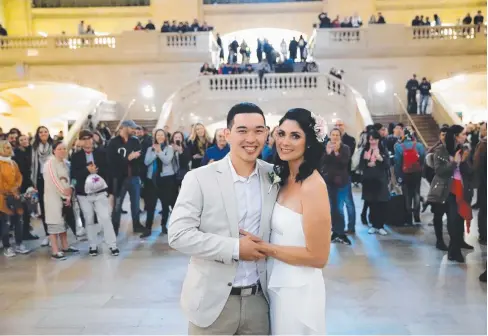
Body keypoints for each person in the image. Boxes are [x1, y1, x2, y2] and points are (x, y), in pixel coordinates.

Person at [169, 102, 277, 335]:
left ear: (267, 134)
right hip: (212, 303)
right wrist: (236, 248)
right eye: (242, 130)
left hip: (260, 302)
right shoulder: (199, 178)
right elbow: (178, 235)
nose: (251, 138)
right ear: (227, 134)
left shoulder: (274, 176)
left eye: (259, 130)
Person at [250, 108, 330, 334]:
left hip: (299, 289)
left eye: (295, 136)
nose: (284, 142)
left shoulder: (314, 186)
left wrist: (265, 248)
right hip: (275, 281)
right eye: (281, 133)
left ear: (310, 142)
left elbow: (319, 257)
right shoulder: (282, 176)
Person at [427, 125, 474, 263]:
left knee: (460, 219)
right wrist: (453, 164)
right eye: (463, 134)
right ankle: (454, 251)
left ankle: (456, 247)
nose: (465, 137)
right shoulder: (441, 151)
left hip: (462, 189)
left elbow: (470, 171)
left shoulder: (465, 150)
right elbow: (439, 171)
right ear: (455, 136)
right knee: (453, 220)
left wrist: (463, 162)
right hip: (448, 190)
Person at [71, 130, 119, 257]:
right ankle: (93, 245)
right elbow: (74, 175)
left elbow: (108, 171)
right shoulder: (76, 157)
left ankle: (112, 244)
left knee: (104, 217)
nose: (87, 141)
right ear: (80, 141)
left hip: (100, 191)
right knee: (89, 218)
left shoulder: (101, 153)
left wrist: (97, 172)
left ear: (93, 139)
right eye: (84, 139)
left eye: (89, 138)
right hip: (83, 193)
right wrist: (87, 170)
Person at [106, 120, 145, 235]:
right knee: (117, 205)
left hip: (134, 177)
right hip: (119, 179)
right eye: (132, 128)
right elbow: (111, 161)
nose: (134, 130)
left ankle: (136, 225)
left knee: (136, 204)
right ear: (124, 127)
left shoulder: (135, 141)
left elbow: (139, 158)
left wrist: (135, 163)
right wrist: (127, 158)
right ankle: (114, 228)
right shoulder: (113, 143)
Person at [43, 142, 79, 260]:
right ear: (54, 150)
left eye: (64, 148)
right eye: (59, 149)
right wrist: (65, 194)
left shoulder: (65, 163)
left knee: (63, 223)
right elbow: (54, 180)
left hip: (66, 198)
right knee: (54, 224)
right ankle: (55, 250)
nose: (62, 151)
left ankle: (65, 246)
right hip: (53, 198)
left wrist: (70, 192)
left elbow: (69, 180)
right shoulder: (49, 163)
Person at [141, 129, 175, 238]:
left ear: (165, 137)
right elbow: (146, 162)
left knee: (165, 205)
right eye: (158, 135)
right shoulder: (149, 149)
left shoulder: (170, 149)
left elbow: (167, 160)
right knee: (150, 206)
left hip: (165, 180)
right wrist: (156, 152)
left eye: (162, 135)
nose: (160, 137)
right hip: (152, 180)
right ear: (155, 137)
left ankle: (164, 225)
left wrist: (159, 151)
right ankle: (148, 228)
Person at [0, 141, 30, 257]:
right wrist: (10, 190)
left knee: (19, 221)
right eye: (6, 148)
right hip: (3, 198)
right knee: (6, 222)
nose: (9, 149)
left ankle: (19, 244)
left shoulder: (13, 163)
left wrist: (16, 187)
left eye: (9, 147)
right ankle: (7, 246)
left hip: (16, 195)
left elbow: (19, 176)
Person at [321, 128, 351, 245]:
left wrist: (337, 152)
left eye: (337, 135)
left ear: (340, 136)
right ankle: (335, 232)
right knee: (332, 208)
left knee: (339, 208)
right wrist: (328, 153)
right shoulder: (326, 147)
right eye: (333, 135)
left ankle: (341, 233)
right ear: (329, 136)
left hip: (341, 182)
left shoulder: (345, 148)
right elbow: (323, 162)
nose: (334, 137)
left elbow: (344, 163)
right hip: (329, 181)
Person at [360, 131, 390, 235]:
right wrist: (367, 164)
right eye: (371, 139)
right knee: (372, 204)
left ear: (378, 140)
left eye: (375, 139)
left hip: (380, 180)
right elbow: (361, 165)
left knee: (381, 203)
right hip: (369, 181)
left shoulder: (382, 150)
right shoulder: (365, 150)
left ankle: (380, 226)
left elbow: (387, 164)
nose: (372, 141)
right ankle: (373, 225)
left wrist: (380, 159)